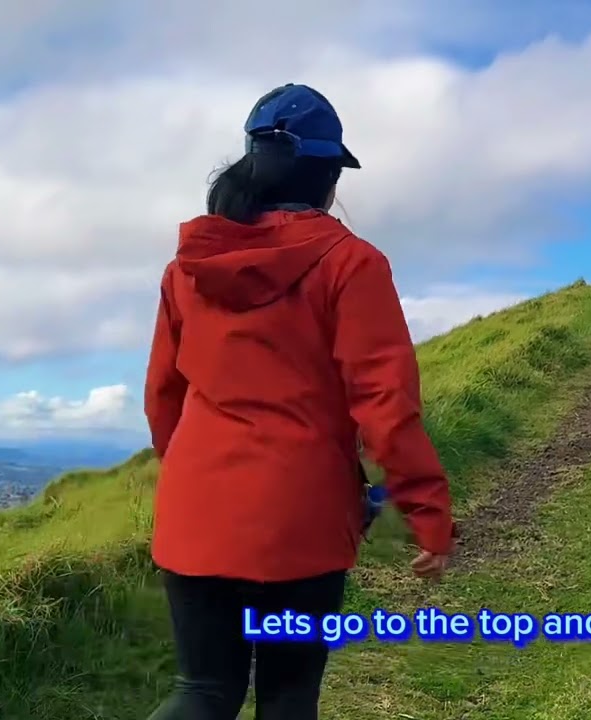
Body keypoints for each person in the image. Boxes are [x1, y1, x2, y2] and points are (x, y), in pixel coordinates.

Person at [143, 83, 456, 720]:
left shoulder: (190, 267)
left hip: (195, 508)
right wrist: (428, 512)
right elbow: (384, 404)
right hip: (300, 517)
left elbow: (162, 399)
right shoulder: (352, 264)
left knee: (203, 689)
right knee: (288, 696)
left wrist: (192, 482)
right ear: (328, 177)